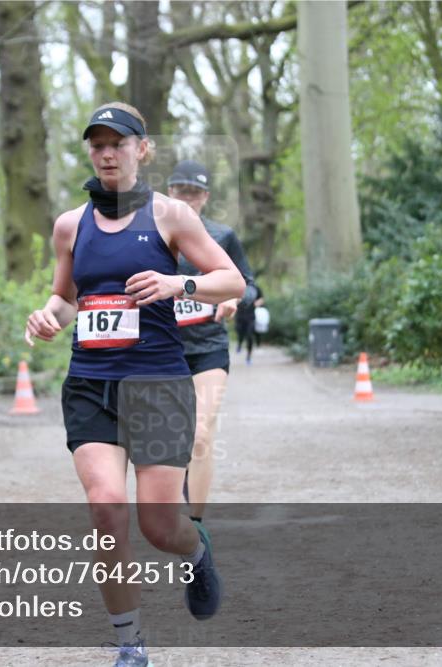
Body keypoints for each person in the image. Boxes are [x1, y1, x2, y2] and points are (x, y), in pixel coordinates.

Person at [24, 103, 245, 666]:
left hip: (158, 383)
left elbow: (229, 280)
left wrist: (178, 283)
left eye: (117, 143)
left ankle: (196, 552)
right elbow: (67, 295)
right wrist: (47, 314)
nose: (106, 153)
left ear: (141, 150)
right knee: (104, 507)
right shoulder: (70, 225)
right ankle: (131, 646)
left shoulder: (171, 215)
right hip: (91, 383)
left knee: (159, 524)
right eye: (97, 143)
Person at [166, 160, 257, 522]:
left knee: (201, 434)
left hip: (207, 348)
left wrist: (234, 299)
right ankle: (171, 515)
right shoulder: (151, 235)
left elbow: (248, 283)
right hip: (162, 349)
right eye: (180, 191)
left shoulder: (221, 237)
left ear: (205, 196)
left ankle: (195, 526)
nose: (187, 199)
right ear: (169, 192)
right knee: (172, 442)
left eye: (194, 192)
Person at [235, 283, 265, 364]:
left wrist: (255, 303)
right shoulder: (237, 284)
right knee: (240, 333)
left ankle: (248, 357)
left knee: (249, 336)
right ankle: (239, 344)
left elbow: (261, 299)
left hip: (251, 316)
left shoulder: (255, 287)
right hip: (240, 316)